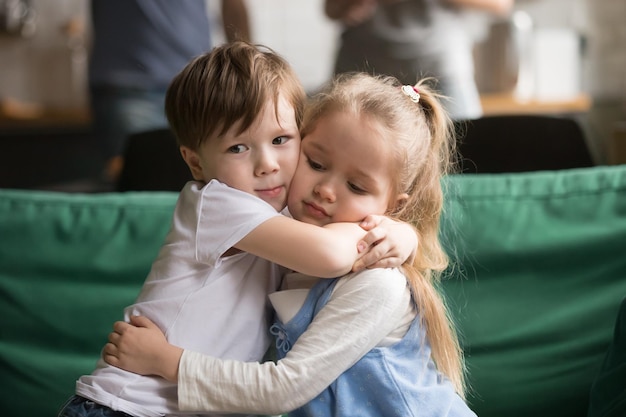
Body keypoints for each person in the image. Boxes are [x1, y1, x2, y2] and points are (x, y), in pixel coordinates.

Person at [57, 42, 417, 417]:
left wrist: (406, 235)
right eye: (238, 148)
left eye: (280, 140)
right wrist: (391, 230)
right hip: (128, 404)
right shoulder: (217, 204)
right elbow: (330, 254)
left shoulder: (290, 220)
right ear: (196, 162)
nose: (267, 165)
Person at [103, 72, 477, 417]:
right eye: (315, 162)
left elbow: (284, 387)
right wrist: (404, 234)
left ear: (394, 206)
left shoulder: (375, 282)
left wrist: (168, 361)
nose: (326, 190)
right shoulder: (280, 242)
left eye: (357, 187)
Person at [88, 0, 250, 184]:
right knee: (138, 184)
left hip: (197, 85)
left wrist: (245, 70)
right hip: (128, 85)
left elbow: (233, 4)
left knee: (215, 183)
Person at [325, 0, 513, 120]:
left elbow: (500, 3)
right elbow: (331, 9)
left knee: (465, 159)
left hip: (438, 71)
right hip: (361, 70)